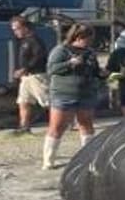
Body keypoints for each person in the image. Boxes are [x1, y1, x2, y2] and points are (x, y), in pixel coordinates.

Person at [43, 24, 106, 170]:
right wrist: (69, 63)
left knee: (86, 124)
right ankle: (49, 159)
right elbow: (52, 69)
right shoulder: (61, 50)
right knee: (57, 126)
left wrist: (102, 74)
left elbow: (95, 70)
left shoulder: (90, 52)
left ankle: (88, 157)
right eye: (87, 39)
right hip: (64, 94)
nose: (90, 42)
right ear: (77, 37)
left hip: (86, 94)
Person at [9, 16, 49, 135]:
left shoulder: (35, 40)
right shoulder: (24, 41)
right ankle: (24, 127)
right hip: (26, 77)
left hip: (37, 76)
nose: (15, 32)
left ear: (25, 27)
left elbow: (39, 57)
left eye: (17, 29)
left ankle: (63, 122)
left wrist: (26, 68)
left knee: (48, 102)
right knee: (23, 101)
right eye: (14, 30)